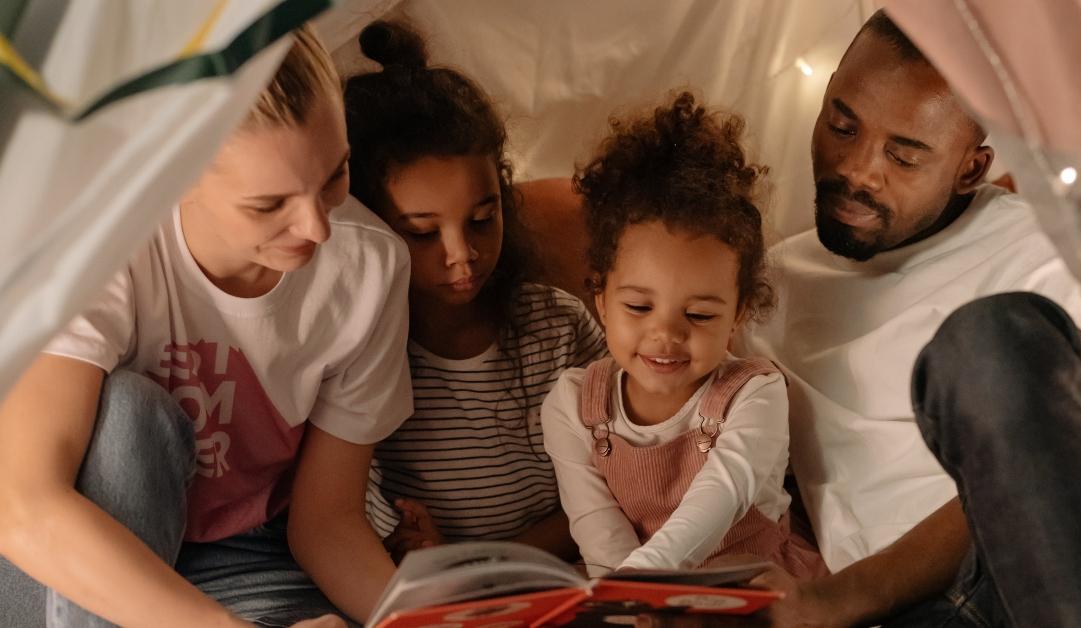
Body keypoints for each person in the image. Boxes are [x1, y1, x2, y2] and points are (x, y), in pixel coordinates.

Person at [738, 10, 1081, 627]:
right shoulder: (766, 287)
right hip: (936, 611)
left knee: (985, 347)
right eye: (841, 126)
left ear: (971, 169)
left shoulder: (1048, 251)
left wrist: (835, 599)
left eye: (903, 157)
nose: (856, 170)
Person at [0, 26, 413, 628]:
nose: (317, 229)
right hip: (52, 552)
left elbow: (327, 526)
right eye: (268, 205)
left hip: (243, 556)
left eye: (334, 178)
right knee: (129, 414)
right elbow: (23, 505)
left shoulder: (369, 266)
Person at [342, 21, 606, 563]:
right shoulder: (363, 357)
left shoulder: (558, 326)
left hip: (571, 570)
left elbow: (620, 482)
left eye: (484, 218)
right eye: (421, 232)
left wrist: (495, 561)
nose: (462, 254)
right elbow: (360, 521)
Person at [541, 92, 826, 579]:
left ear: (738, 313)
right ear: (601, 299)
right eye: (638, 307)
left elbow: (720, 499)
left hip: (754, 586)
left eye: (698, 314)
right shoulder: (571, 405)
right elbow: (598, 533)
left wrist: (640, 584)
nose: (667, 333)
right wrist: (625, 603)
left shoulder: (755, 394)